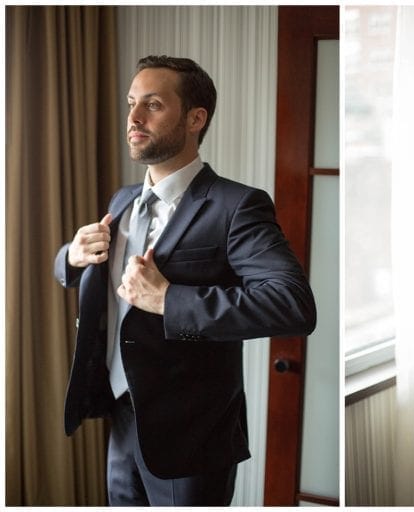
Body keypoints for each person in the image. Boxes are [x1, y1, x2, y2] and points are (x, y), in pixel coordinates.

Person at [54, 55, 316, 506]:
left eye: (152, 105)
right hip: (121, 415)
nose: (134, 117)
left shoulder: (238, 206)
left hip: (194, 437)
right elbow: (83, 273)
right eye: (132, 102)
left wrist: (170, 299)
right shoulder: (123, 200)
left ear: (196, 118)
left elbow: (292, 304)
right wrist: (71, 258)